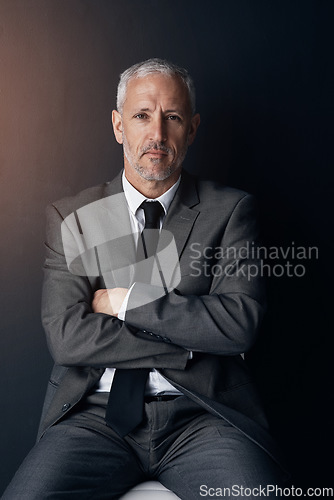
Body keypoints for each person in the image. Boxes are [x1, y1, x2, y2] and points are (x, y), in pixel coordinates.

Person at [3, 58, 288, 499]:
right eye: (141, 115)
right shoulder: (72, 217)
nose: (157, 134)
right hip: (93, 421)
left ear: (191, 129)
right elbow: (68, 339)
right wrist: (191, 344)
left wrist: (122, 303)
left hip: (203, 418)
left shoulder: (230, 212)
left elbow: (239, 325)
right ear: (119, 126)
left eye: (172, 117)